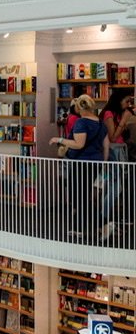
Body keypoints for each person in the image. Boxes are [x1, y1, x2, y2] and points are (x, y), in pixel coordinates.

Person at [49, 95, 109, 239]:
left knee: (78, 196)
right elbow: (106, 145)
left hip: (81, 163)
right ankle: (95, 226)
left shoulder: (82, 122)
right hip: (96, 163)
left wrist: (60, 139)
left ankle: (95, 226)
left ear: (78, 107)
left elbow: (79, 144)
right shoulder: (101, 123)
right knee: (82, 196)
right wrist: (104, 162)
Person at [99, 88, 134, 161]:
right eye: (127, 101)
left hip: (120, 148)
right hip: (113, 150)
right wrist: (123, 120)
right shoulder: (108, 113)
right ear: (119, 101)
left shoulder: (118, 113)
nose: (128, 104)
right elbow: (113, 138)